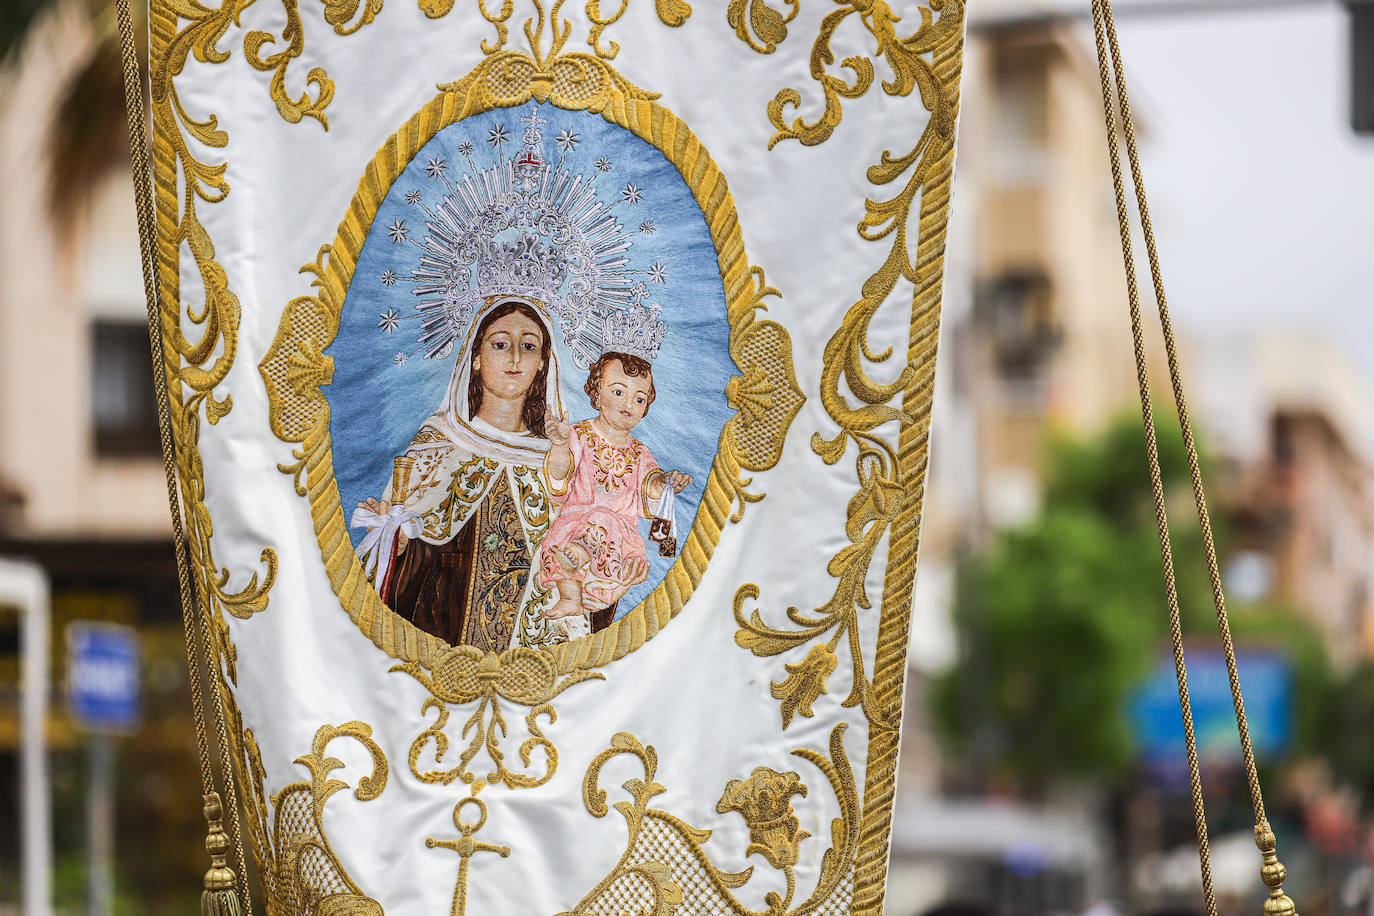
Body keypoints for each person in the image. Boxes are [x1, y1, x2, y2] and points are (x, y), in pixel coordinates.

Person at [350, 298, 564, 651]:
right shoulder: (438, 441)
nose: (514, 357)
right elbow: (397, 571)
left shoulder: (554, 461)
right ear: (476, 358)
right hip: (438, 632)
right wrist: (397, 540)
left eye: (528, 346)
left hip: (527, 654)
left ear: (542, 363)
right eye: (499, 344)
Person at [535, 351, 692, 636]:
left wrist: (664, 483)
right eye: (618, 392)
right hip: (573, 528)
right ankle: (570, 596)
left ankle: (580, 568)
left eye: (639, 399)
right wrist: (559, 445)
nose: (628, 404)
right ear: (596, 394)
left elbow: (649, 492)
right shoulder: (578, 436)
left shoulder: (639, 452)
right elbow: (557, 482)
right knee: (564, 557)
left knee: (601, 523)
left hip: (617, 541)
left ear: (646, 408)